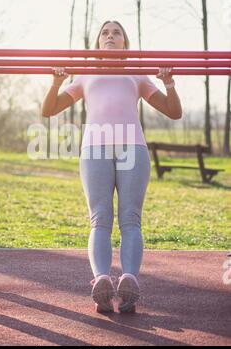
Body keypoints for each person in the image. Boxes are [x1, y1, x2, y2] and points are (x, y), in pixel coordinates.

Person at [41, 20, 182, 314]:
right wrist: (56, 81)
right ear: (97, 43)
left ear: (125, 44)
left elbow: (173, 112)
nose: (110, 36)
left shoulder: (136, 73)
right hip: (95, 148)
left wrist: (169, 82)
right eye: (105, 32)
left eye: (116, 32)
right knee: (100, 218)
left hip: (133, 147)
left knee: (130, 217)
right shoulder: (85, 74)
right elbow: (49, 110)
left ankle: (129, 281)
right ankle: (102, 281)